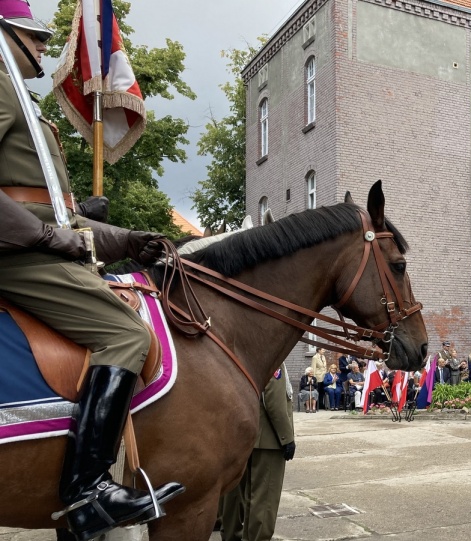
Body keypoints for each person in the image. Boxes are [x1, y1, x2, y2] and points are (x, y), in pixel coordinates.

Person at [0, 5, 183, 538]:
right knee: (126, 332)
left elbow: (60, 218)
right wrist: (43, 236)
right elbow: (42, 225)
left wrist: (127, 240)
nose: (41, 48)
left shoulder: (22, 101)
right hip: (17, 255)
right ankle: (87, 490)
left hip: (35, 244)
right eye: (33, 38)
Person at [221, 364, 296, 541]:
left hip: (241, 434)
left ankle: (231, 534)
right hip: (268, 438)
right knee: (264, 499)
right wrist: (287, 438)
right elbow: (274, 401)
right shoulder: (274, 358)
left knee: (236, 493)